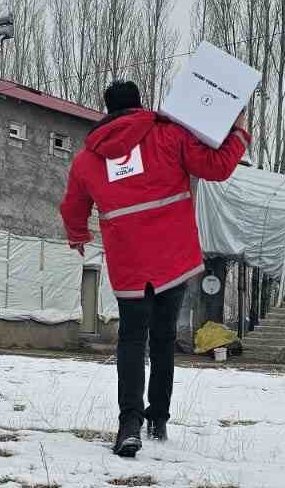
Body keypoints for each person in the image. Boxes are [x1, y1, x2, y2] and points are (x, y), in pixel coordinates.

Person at [60, 80, 249, 457]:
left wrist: (78, 235)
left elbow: (73, 205)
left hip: (129, 260)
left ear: (107, 111)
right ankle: (158, 420)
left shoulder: (86, 158)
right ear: (138, 104)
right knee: (162, 339)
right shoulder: (167, 135)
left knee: (131, 339)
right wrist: (239, 132)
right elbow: (215, 167)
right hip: (172, 257)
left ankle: (128, 425)